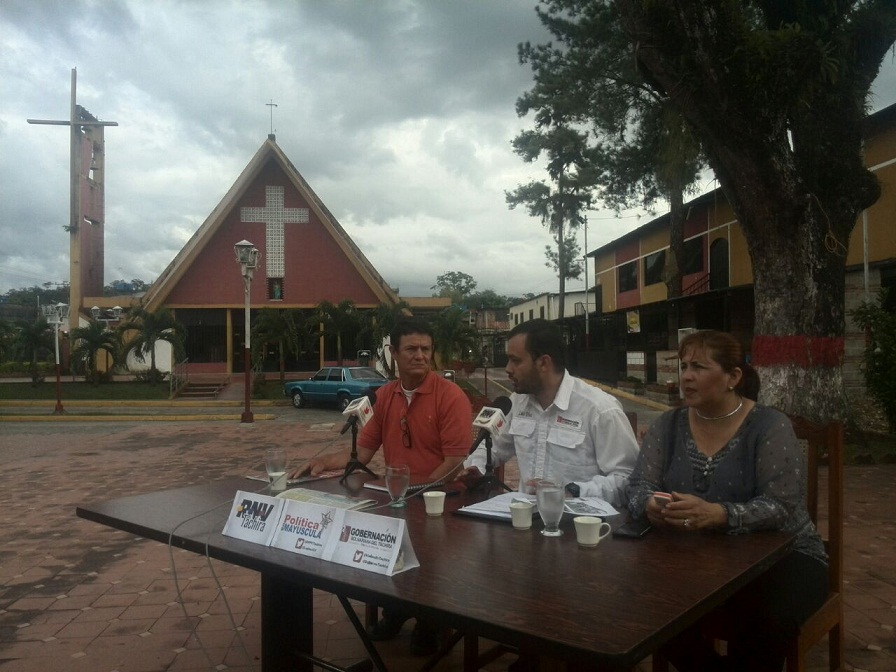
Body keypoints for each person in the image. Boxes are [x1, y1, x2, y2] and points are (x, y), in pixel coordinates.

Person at [625, 330, 828, 672]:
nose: (686, 376)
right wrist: (651, 505)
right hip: (694, 557)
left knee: (764, 619)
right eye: (684, 366)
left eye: (699, 367)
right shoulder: (668, 424)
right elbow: (638, 485)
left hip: (782, 557)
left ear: (733, 376)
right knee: (640, 600)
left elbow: (782, 506)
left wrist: (719, 514)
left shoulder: (768, 425)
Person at [294, 318, 471, 656]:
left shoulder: (451, 397)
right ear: (393, 353)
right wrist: (321, 463)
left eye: (425, 350)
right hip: (397, 499)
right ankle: (398, 609)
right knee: (380, 545)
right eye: (411, 349)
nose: (420, 356)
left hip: (439, 501)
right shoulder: (386, 395)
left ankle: (429, 622)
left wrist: (411, 490)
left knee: (428, 556)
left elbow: (453, 464)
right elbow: (362, 451)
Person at [460, 319, 639, 507]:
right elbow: (491, 447)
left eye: (516, 360)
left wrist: (572, 491)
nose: (507, 369)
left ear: (544, 363)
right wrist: (476, 469)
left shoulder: (599, 409)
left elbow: (627, 479)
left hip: (581, 524)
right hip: (525, 521)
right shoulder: (516, 402)